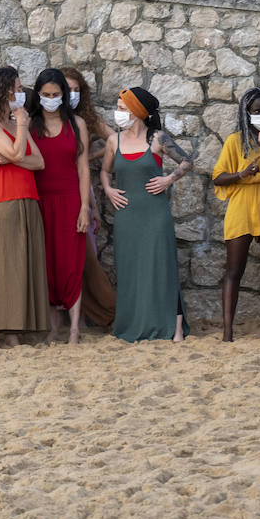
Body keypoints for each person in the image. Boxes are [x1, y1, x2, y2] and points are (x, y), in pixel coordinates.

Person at [102, 87, 192, 342]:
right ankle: (136, 324)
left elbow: (187, 161)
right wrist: (108, 190)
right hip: (126, 215)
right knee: (131, 270)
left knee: (162, 267)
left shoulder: (158, 139)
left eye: (122, 108)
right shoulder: (113, 141)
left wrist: (169, 180)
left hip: (155, 214)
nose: (117, 113)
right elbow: (105, 171)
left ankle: (174, 329)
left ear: (137, 112)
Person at [0, 66, 47, 349]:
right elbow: (20, 152)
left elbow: (38, 162)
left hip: (28, 198)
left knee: (21, 267)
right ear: (4, 91)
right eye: (17, 88)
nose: (21, 93)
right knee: (0, 267)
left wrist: (14, 155)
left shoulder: (14, 124)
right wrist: (21, 129)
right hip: (3, 200)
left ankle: (13, 329)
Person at [211, 87, 260, 341]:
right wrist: (241, 174)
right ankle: (228, 332)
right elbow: (218, 177)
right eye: (257, 111)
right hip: (241, 207)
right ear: (246, 113)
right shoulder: (234, 141)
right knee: (234, 270)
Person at [29, 69, 92, 344]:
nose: (51, 99)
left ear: (64, 96)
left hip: (70, 200)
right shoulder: (30, 125)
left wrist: (84, 208)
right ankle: (53, 328)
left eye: (56, 95)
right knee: (48, 263)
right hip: (40, 200)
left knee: (71, 262)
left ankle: (75, 327)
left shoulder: (77, 124)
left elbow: (83, 168)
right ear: (38, 94)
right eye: (46, 95)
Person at [61, 65, 116, 327]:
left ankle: (83, 316)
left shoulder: (87, 120)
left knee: (85, 258)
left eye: (76, 90)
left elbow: (116, 141)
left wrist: (92, 156)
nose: (71, 95)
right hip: (55, 192)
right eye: (67, 89)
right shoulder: (43, 119)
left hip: (82, 193)